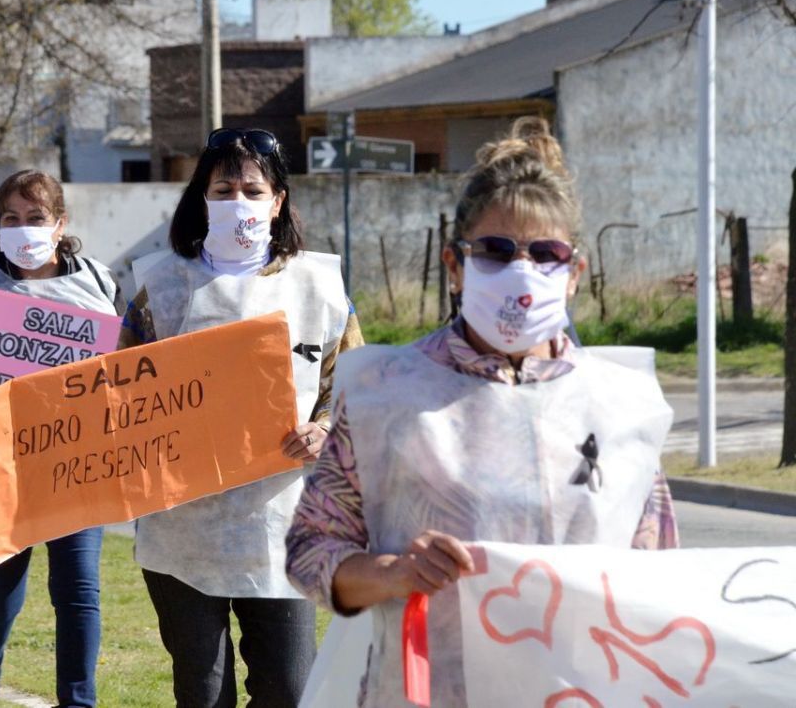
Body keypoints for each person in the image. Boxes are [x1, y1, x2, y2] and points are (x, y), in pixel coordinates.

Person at [284, 117, 677, 708]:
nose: (522, 271)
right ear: (454, 265)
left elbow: (663, 582)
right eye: (496, 250)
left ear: (575, 274)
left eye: (545, 253)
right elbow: (310, 550)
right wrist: (391, 572)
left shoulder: (622, 408)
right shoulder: (387, 396)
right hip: (426, 692)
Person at [119, 128, 362, 708]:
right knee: (203, 693)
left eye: (253, 190)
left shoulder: (321, 288)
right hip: (182, 528)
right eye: (224, 188)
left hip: (281, 525)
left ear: (278, 201)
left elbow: (351, 385)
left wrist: (325, 427)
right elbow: (118, 390)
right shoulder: (159, 286)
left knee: (288, 687)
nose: (239, 202)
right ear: (202, 197)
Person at [0, 169, 121, 708]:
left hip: (79, 464)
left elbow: (128, 358)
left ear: (60, 224)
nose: (23, 228)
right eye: (10, 218)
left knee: (79, 593)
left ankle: (77, 703)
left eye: (35, 218)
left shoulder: (101, 281)